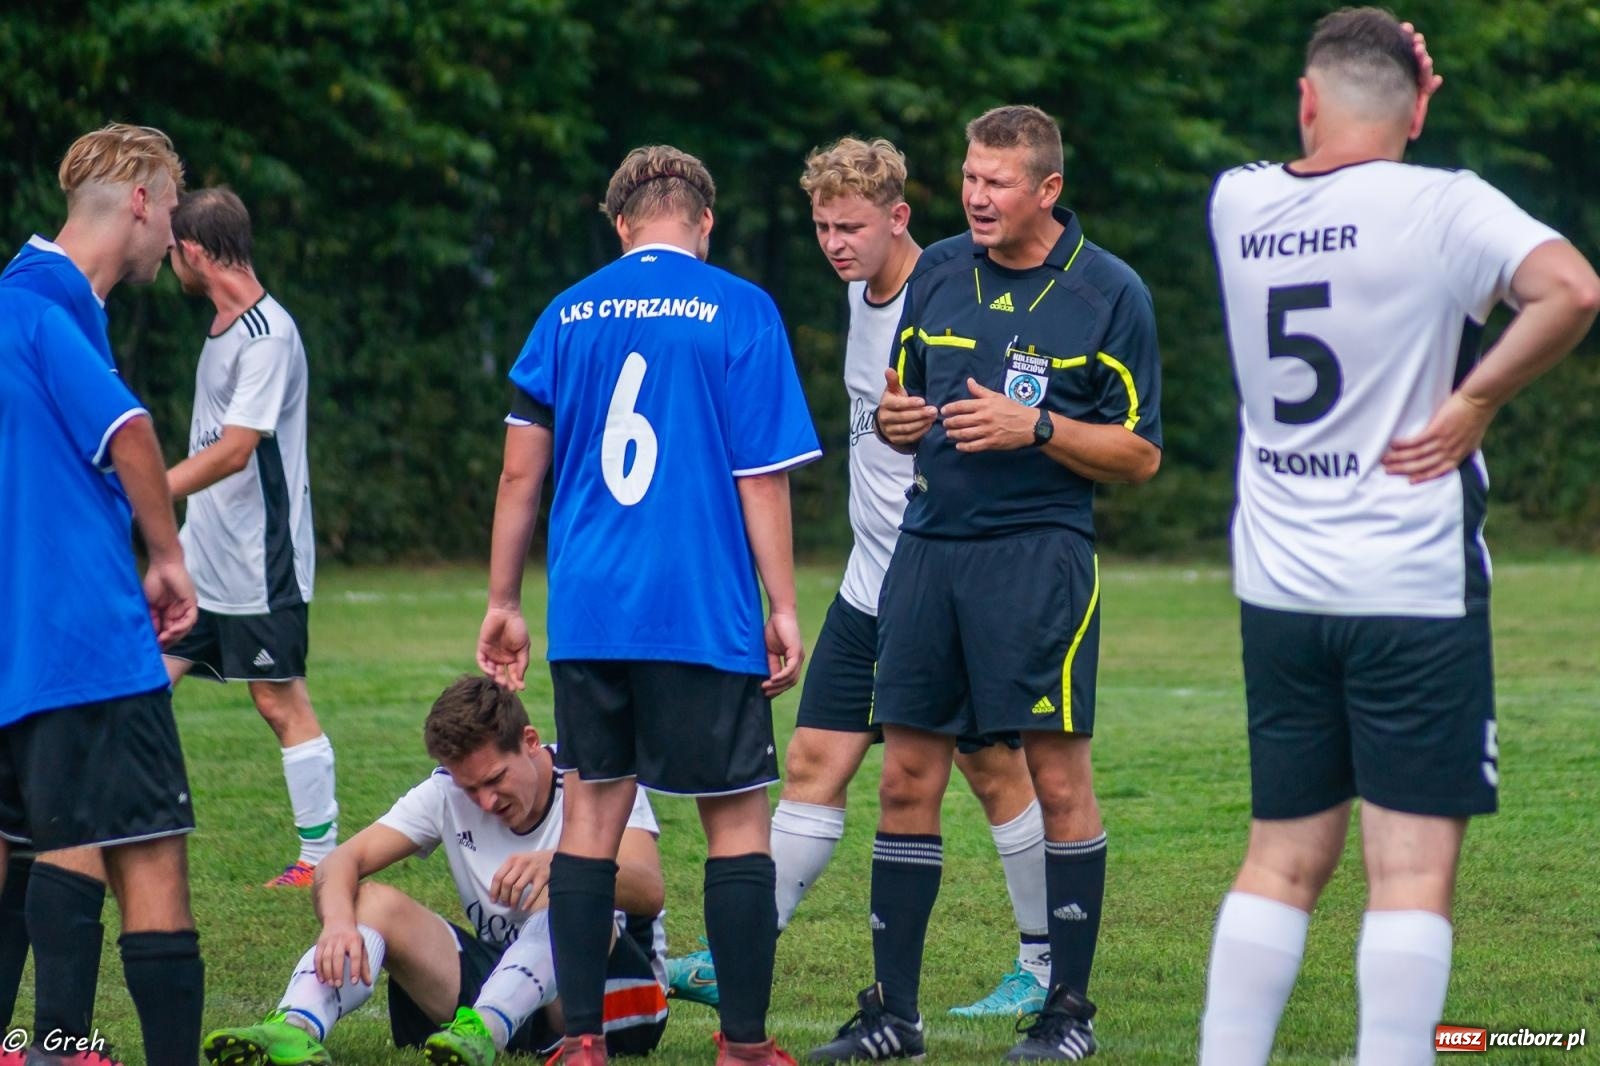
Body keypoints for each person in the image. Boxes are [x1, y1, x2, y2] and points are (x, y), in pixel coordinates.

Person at [1199, 11, 1599, 1066]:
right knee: (1410, 875)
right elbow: (1571, 289)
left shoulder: (1236, 201)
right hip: (1408, 582)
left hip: (1281, 587)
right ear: (1421, 105)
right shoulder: (1443, 205)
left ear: (1305, 98)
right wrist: (1476, 399)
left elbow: (1308, 167)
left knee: (1279, 860)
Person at [667, 136, 1052, 1019]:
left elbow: (990, 430)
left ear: (899, 219)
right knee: (811, 760)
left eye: (852, 227)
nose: (836, 243)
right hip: (866, 582)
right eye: (823, 227)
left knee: (990, 773)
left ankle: (1040, 963)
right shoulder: (857, 289)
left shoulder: (949, 296)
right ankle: (742, 951)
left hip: (942, 586)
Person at [810, 106, 1163, 1063]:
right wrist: (897, 421)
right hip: (926, 553)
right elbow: (894, 407)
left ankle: (1067, 1013)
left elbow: (1138, 454)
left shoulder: (1108, 292)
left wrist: (1036, 428)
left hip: (1037, 561)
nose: (975, 196)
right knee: (907, 779)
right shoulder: (934, 273)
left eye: (996, 182)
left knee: (1054, 777)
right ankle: (894, 1016)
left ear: (1047, 189)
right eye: (969, 178)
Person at [477, 144, 820, 1066]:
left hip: (592, 610)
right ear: (703, 222)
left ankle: (582, 1041)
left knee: (591, 814)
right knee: (736, 820)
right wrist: (782, 606)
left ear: (620, 224)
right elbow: (761, 475)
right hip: (701, 607)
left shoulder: (565, 312)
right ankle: (743, 1046)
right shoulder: (741, 308)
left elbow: (520, 473)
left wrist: (505, 599)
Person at [0, 122, 205, 1065]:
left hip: (17, 643)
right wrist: (165, 556)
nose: (173, 233)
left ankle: (47, 1042)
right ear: (137, 198)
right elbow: (127, 429)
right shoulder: (50, 305)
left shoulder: (11, 298)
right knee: (151, 847)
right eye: (170, 209)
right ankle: (60, 1045)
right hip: (82, 628)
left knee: (31, 848)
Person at [201, 675, 670, 1066]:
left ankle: (486, 1028)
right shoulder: (447, 792)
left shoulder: (596, 778)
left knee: (567, 899)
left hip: (615, 1002)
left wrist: (563, 866)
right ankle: (296, 1023)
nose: (486, 801)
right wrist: (339, 924)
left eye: (495, 780)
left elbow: (649, 889)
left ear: (529, 743)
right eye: (471, 789)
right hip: (517, 988)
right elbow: (340, 862)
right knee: (372, 901)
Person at [162, 186, 339, 888]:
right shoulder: (223, 327)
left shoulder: (269, 334)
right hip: (202, 558)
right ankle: (125, 830)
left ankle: (320, 861)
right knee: (143, 682)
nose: (169, 260)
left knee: (278, 700)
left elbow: (235, 450)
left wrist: (146, 488)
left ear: (196, 251)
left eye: (175, 249)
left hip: (260, 561)